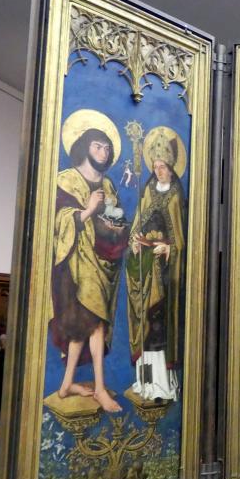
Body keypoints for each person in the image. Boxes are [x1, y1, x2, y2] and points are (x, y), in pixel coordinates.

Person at [50, 127, 129, 413]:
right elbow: (58, 222)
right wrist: (88, 210)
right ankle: (100, 389)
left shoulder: (108, 185)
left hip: (102, 260)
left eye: (107, 148)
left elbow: (116, 219)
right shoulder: (67, 180)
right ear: (85, 147)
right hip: (75, 263)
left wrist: (117, 227)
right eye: (98, 146)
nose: (103, 152)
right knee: (94, 323)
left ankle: (66, 384)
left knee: (83, 324)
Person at [126, 131, 187, 402]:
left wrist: (170, 248)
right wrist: (134, 242)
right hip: (145, 268)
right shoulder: (148, 191)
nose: (158, 170)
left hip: (164, 274)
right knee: (146, 328)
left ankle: (163, 385)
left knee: (159, 327)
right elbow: (137, 224)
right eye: (155, 166)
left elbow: (182, 238)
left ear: (172, 167)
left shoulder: (176, 195)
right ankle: (147, 383)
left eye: (162, 166)